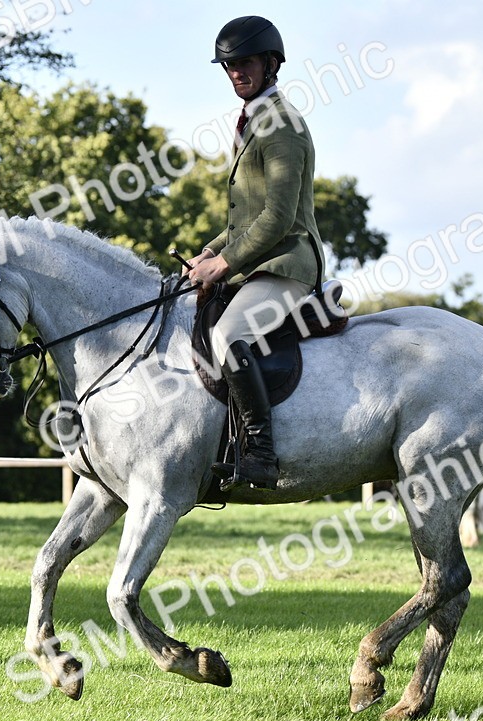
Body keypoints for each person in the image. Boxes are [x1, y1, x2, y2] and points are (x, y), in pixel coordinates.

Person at [185, 15, 324, 492]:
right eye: (228, 65)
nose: (235, 73)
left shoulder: (280, 125)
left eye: (243, 63)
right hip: (256, 263)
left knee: (227, 336)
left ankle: (261, 453)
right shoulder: (254, 121)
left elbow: (278, 218)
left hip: (287, 263)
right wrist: (207, 255)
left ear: (270, 63)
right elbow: (244, 221)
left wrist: (223, 265)